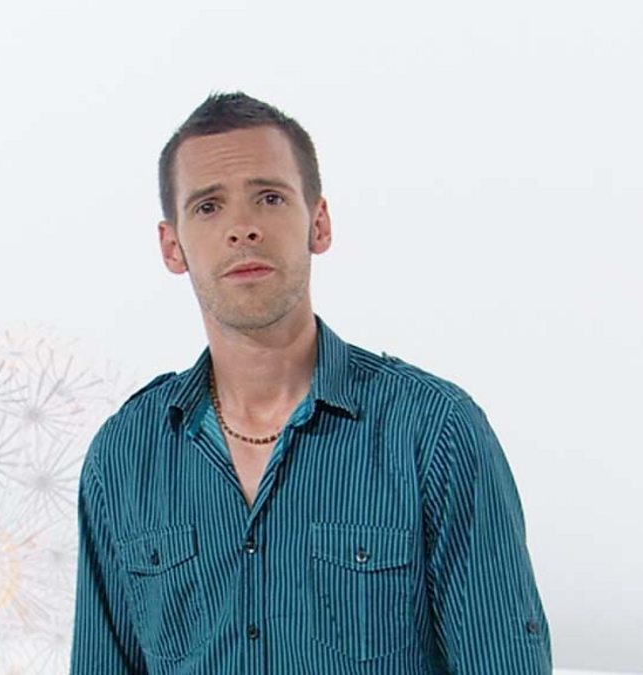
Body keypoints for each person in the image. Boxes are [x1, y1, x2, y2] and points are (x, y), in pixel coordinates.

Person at [69, 91, 552, 674]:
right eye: (209, 206)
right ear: (173, 247)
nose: (242, 228)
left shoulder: (433, 432)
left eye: (269, 198)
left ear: (317, 223)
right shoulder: (125, 455)